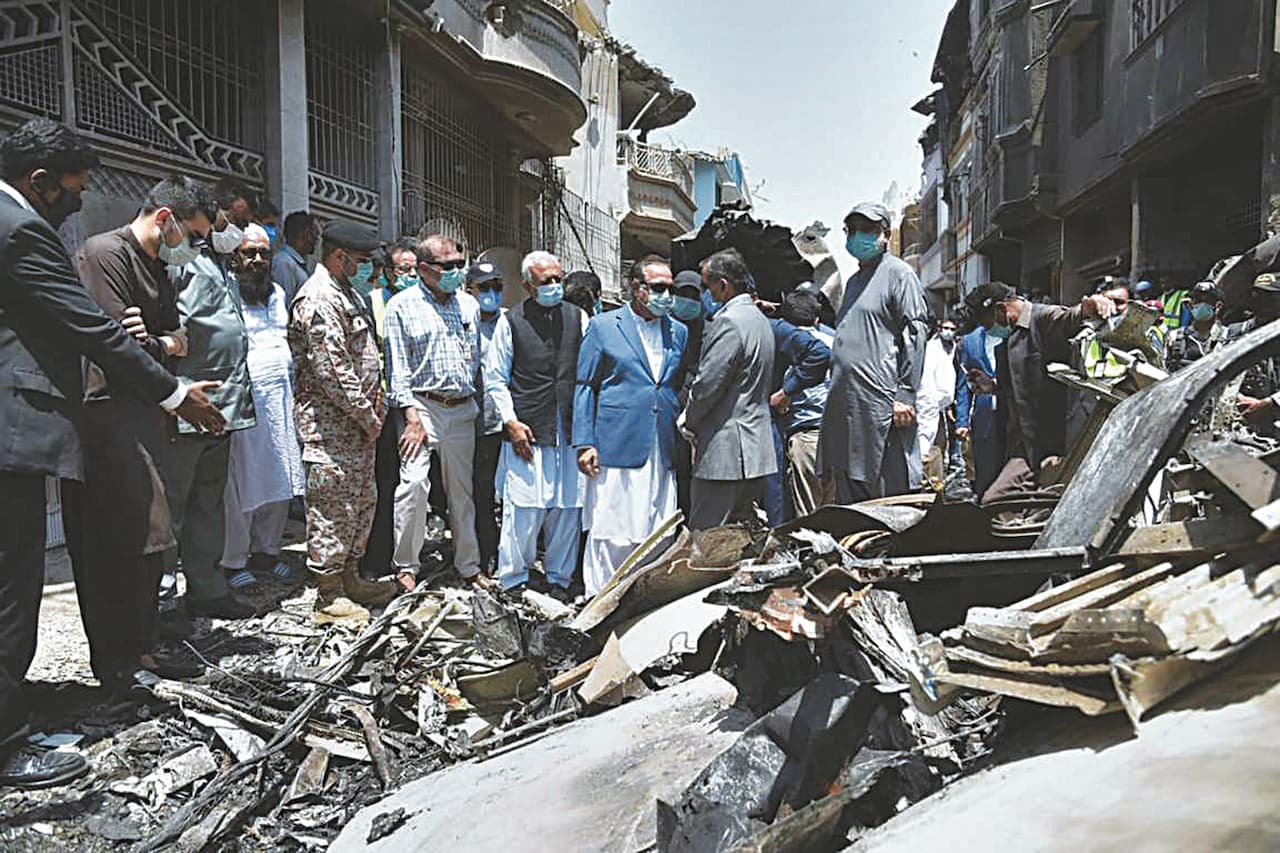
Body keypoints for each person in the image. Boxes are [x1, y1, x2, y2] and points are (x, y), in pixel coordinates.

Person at [0, 119, 222, 789]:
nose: (76, 206)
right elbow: (91, 325)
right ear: (38, 183)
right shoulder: (20, 231)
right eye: (72, 193)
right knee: (13, 588)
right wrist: (174, 392)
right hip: (13, 429)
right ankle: (9, 744)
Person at [72, 174, 224, 687]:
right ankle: (116, 663)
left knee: (154, 536)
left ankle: (143, 650)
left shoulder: (158, 266)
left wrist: (161, 343)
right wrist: (165, 348)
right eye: (194, 237)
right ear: (166, 219)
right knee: (119, 539)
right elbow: (117, 345)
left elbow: (175, 336)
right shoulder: (104, 254)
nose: (196, 249)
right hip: (108, 415)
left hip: (146, 412)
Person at [154, 185, 262, 623]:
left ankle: (207, 587)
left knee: (208, 501)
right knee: (171, 506)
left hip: (225, 405)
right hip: (188, 403)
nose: (236, 231)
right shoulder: (177, 259)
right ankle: (161, 600)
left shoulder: (220, 263)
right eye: (232, 221)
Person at [289, 220, 400, 622]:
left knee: (358, 504)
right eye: (361, 260)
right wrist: (368, 415)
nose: (368, 268)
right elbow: (332, 371)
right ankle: (328, 592)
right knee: (332, 507)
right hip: (331, 428)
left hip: (356, 430)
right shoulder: (319, 299)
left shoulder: (345, 293)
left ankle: (351, 576)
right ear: (339, 257)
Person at [575, 255, 688, 595]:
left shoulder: (678, 331)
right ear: (638, 289)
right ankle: (603, 594)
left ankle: (643, 593)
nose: (667, 295)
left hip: (661, 441)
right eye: (659, 288)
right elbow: (585, 385)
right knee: (613, 522)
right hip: (616, 440)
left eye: (671, 288)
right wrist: (585, 442)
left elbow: (669, 384)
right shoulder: (605, 326)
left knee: (657, 523)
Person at [384, 234, 487, 591]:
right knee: (413, 484)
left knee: (462, 492)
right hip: (422, 407)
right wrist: (411, 418)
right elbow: (397, 368)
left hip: (460, 408)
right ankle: (406, 565)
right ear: (425, 268)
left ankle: (468, 565)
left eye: (461, 265)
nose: (457, 272)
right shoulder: (401, 306)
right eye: (449, 266)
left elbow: (476, 361)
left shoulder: (468, 306)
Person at [483, 251, 587, 600]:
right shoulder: (510, 322)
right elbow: (495, 379)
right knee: (523, 508)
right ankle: (514, 579)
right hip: (528, 427)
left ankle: (559, 579)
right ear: (529, 286)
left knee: (567, 507)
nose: (555, 287)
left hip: (569, 428)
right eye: (547, 282)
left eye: (559, 279)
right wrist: (510, 422)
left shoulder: (579, 318)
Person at [818, 202, 929, 502]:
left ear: (885, 233)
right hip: (848, 407)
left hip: (882, 405)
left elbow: (915, 332)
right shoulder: (854, 282)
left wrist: (905, 394)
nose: (858, 236)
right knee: (851, 491)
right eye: (852, 230)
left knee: (885, 496)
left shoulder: (899, 275)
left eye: (867, 229)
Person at [967, 282, 1116, 505]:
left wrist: (1088, 308)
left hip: (1052, 444)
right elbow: (1017, 384)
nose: (988, 330)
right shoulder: (1009, 338)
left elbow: (1067, 319)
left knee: (996, 501)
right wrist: (992, 385)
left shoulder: (1042, 318)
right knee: (1007, 504)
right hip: (1023, 446)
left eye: (987, 323)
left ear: (1001, 309)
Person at [221, 225, 306, 586]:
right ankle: (234, 562)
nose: (257, 260)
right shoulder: (224, 292)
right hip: (243, 403)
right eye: (249, 252)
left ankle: (266, 554)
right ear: (234, 257)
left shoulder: (278, 293)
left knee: (280, 479)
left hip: (281, 401)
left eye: (263, 253)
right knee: (241, 485)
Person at [682, 248, 776, 530]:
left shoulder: (728, 322)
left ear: (723, 285)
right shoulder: (759, 319)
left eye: (707, 286)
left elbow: (707, 385)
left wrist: (689, 420)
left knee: (707, 537)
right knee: (741, 535)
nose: (706, 294)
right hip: (754, 449)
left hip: (725, 452)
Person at [360, 240, 416, 581]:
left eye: (414, 269)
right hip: (382, 405)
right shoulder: (373, 303)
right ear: (389, 273)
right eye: (402, 270)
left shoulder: (423, 303)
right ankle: (377, 556)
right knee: (385, 480)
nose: (408, 276)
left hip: (414, 406)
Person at [776, 289, 836, 517]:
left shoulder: (784, 345)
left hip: (804, 435)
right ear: (817, 319)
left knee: (808, 514)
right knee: (832, 509)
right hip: (836, 435)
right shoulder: (834, 342)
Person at [468, 261, 507, 574]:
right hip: (472, 422)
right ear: (470, 290)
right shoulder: (463, 322)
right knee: (478, 491)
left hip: (503, 425)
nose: (492, 294)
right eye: (485, 288)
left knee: (503, 492)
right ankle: (482, 551)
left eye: (496, 287)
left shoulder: (509, 324)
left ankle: (503, 552)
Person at [954, 315, 1004, 498]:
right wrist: (962, 421)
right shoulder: (970, 342)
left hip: (1011, 416)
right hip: (984, 417)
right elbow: (964, 385)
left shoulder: (1013, 335)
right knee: (985, 470)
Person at [671, 270, 705, 516]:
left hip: (691, 412)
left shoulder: (707, 327)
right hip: (665, 406)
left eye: (692, 295)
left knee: (686, 471)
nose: (687, 301)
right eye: (682, 294)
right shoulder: (663, 324)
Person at [1229, 273, 1280, 432]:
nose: (1262, 301)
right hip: (1243, 421)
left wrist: (1271, 403)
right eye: (1257, 294)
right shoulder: (1234, 333)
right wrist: (1235, 397)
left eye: (1269, 296)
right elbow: (1216, 375)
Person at [917, 318, 958, 472]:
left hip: (936, 407)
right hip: (931, 407)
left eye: (952, 329)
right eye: (945, 328)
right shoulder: (933, 350)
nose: (948, 332)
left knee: (938, 447)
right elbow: (943, 390)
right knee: (928, 451)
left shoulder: (947, 349)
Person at [1164, 281, 1226, 372]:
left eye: (1208, 301)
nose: (1203, 304)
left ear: (1218, 306)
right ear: (1189, 305)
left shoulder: (1226, 337)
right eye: (1198, 300)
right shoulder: (1174, 338)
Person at [273, 210, 317, 304]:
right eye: (314, 233)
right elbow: (284, 303)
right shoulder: (284, 263)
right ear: (304, 233)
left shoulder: (297, 264)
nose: (316, 239)